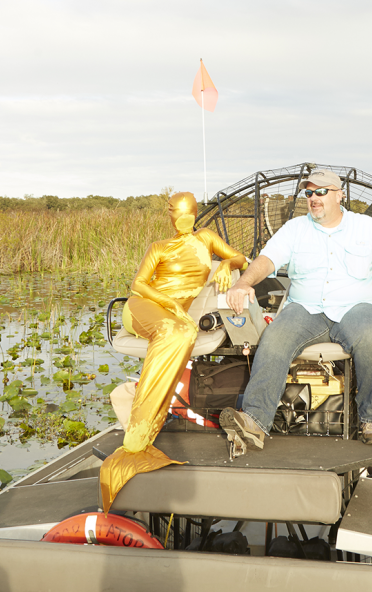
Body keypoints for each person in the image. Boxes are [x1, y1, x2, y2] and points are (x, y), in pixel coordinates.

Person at [220, 168, 372, 451]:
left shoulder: (366, 227)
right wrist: (243, 283)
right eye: (309, 193)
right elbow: (267, 260)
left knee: (371, 337)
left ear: (339, 195)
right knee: (275, 339)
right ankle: (254, 421)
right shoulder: (295, 230)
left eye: (321, 192)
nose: (314, 198)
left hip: (356, 308)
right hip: (305, 309)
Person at [99, 192, 246, 511]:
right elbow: (139, 286)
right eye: (176, 212)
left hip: (174, 315)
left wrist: (226, 264)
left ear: (195, 214)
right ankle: (138, 438)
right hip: (142, 308)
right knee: (178, 329)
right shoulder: (159, 248)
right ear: (169, 214)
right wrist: (171, 307)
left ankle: (141, 433)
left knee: (183, 330)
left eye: (188, 212)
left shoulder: (206, 239)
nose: (182, 218)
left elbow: (242, 260)